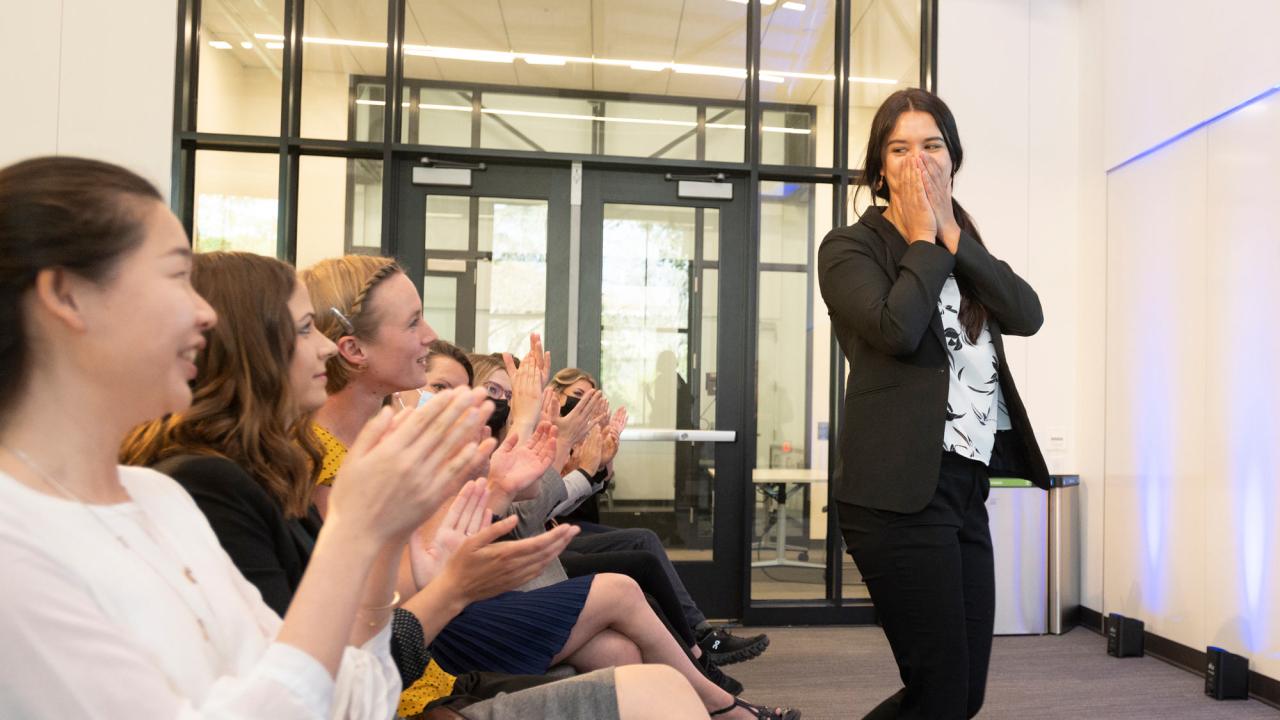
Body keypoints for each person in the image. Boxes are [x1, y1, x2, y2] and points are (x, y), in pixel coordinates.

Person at [0, 156, 455, 718]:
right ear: (67, 296)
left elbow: (350, 701)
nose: (205, 315)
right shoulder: (15, 546)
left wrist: (382, 534)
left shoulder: (158, 498)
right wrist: (356, 532)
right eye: (175, 277)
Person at [817, 88, 1048, 719]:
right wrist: (923, 239)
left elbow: (1027, 314)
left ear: (952, 159)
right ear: (879, 167)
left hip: (964, 488)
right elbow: (896, 329)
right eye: (899, 147)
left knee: (959, 696)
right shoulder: (848, 249)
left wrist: (951, 234)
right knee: (941, 692)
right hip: (893, 495)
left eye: (931, 145)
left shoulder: (958, 245)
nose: (917, 160)